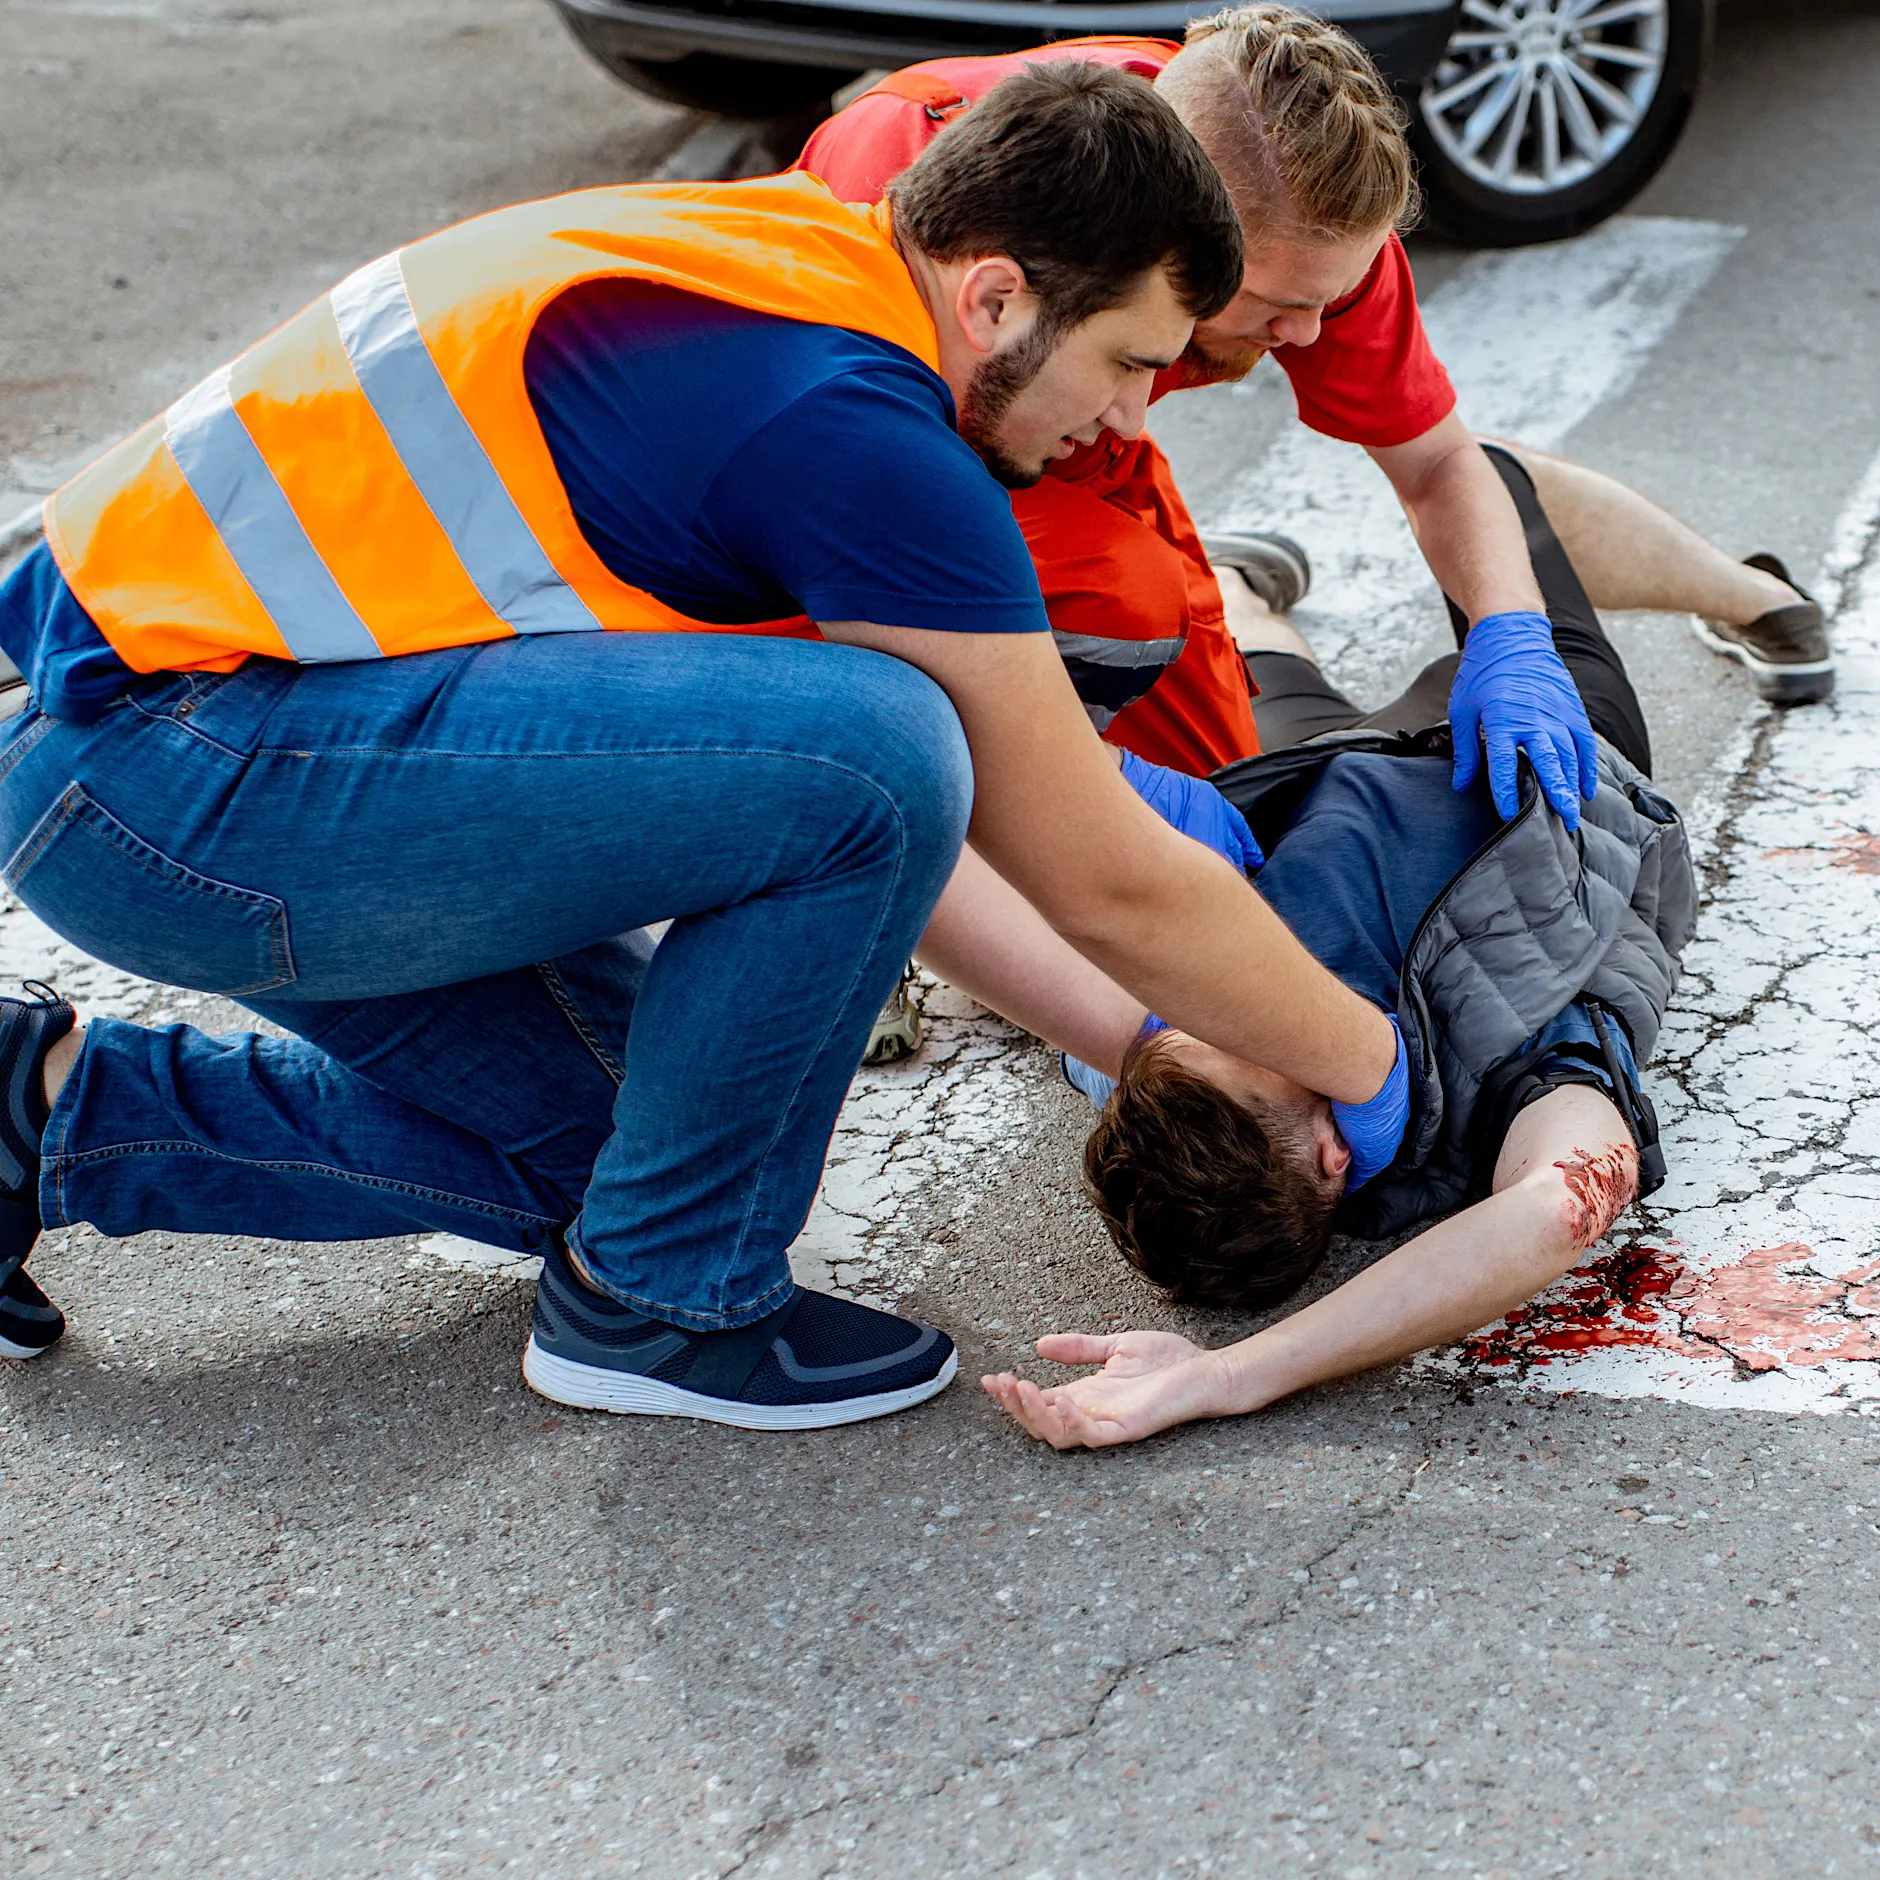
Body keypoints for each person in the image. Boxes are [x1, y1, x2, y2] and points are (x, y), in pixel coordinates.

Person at [0, 66, 1413, 1426]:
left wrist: (1182, 1036)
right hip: (169, 779)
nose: (1122, 419)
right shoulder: (857, 431)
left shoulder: (794, 257)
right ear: (996, 296)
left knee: (645, 1154)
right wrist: (1366, 1057)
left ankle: (44, 1116)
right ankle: (664, 1311)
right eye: (1124, 365)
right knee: (878, 751)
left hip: (173, 747)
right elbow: (1099, 872)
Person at [797, 4, 1834, 802]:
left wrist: (1509, 632)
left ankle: (1754, 596)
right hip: (901, 440)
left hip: (1064, 423)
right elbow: (817, 529)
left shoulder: (1316, 235)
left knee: (1227, 773)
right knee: (1066, 660)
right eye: (1280, 304)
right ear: (1173, 238)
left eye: (1327, 302)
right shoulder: (908, 192)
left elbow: (1434, 463)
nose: (1308, 334)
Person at [914, 446, 1698, 1448]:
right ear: (1338, 1149)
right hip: (1536, 757)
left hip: (1313, 787)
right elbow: (1557, 1210)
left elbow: (931, 863)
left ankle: (1240, 583)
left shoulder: (1168, 1061)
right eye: (1251, 1039)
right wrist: (1229, 1377)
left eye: (1182, 1022)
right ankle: (1759, 597)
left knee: (1267, 670)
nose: (1228, 1003)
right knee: (1487, 484)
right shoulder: (1504, 1085)